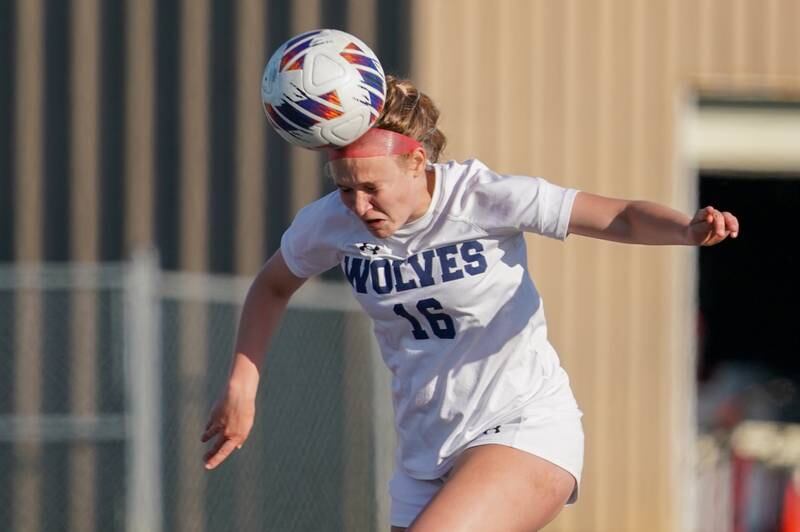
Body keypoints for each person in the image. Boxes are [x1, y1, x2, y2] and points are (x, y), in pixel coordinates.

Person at [202, 75, 739, 531]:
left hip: (523, 428)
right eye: (346, 189)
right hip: (424, 453)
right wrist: (241, 387)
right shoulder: (331, 223)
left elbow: (616, 215)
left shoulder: (483, 198)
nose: (359, 205)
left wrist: (686, 229)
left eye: (371, 188)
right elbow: (272, 285)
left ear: (416, 162)